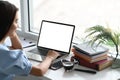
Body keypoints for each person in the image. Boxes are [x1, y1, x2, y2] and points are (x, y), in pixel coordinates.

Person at [0, 1, 60, 80]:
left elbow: (17, 50)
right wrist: (50, 57)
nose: (18, 25)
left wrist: (12, 32)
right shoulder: (5, 54)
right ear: (6, 24)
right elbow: (39, 71)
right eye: (16, 21)